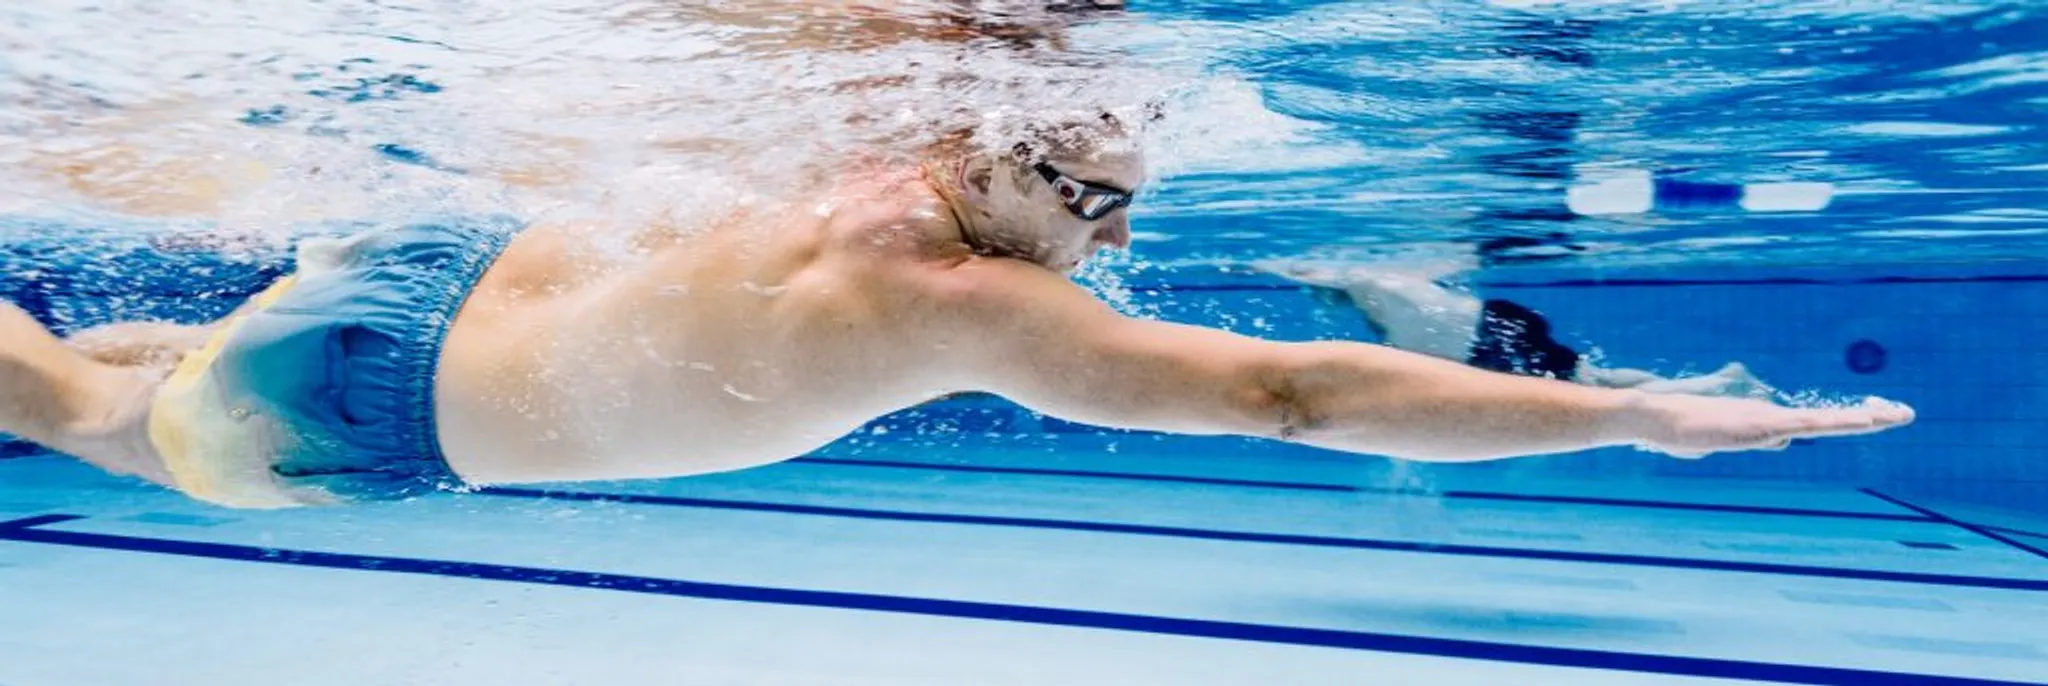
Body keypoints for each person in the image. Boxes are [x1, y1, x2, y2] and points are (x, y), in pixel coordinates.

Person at [0, 111, 1914, 509]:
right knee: (86, 414)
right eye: (1081, 203)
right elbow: (1293, 399)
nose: (1092, 241)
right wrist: (1639, 416)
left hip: (429, 277)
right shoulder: (956, 301)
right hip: (394, 401)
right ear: (990, 180)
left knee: (134, 369)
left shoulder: (844, 161)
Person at [1267, 258, 1773, 398]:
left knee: (1593, 390)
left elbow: (1304, 272)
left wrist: (1252, 264)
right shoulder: (1380, 284)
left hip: (1484, 343)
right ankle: (1715, 382)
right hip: (1493, 323)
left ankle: (1717, 383)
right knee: (1591, 377)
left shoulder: (1356, 278)